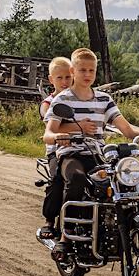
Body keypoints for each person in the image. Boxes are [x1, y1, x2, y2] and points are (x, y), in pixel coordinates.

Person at [43, 48, 139, 260]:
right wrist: (61, 136)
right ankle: (65, 237)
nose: (87, 74)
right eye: (82, 70)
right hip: (71, 154)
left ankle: (130, 224)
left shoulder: (104, 99)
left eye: (91, 70)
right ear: (73, 70)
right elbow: (48, 133)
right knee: (77, 178)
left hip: (97, 155)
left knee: (138, 176)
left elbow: (126, 129)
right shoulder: (63, 99)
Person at [38, 57, 99, 239]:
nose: (64, 82)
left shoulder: (78, 97)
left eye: (67, 77)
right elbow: (49, 126)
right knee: (58, 179)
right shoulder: (49, 102)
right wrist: (79, 126)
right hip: (57, 149)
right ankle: (51, 220)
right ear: (51, 80)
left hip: (84, 148)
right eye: (60, 78)